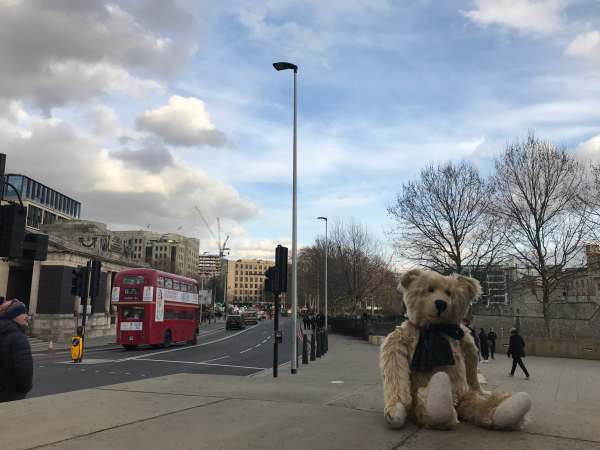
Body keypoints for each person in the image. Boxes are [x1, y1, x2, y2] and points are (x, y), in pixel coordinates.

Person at [0, 300, 34, 402]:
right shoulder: (18, 338)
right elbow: (25, 373)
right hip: (10, 395)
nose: (27, 316)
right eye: (23, 313)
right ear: (13, 316)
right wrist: (23, 390)